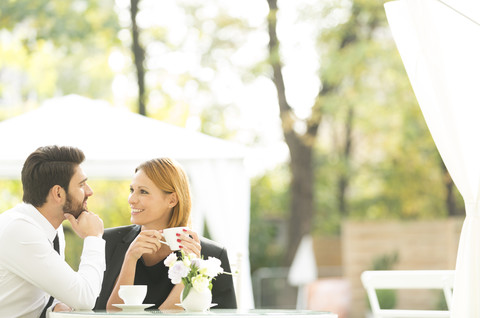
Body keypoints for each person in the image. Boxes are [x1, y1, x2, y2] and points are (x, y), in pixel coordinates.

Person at [94, 157, 237, 310]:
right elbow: (110, 313)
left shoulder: (212, 255)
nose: (131, 199)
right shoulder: (107, 242)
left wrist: (191, 269)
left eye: (143, 192)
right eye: (132, 190)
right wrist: (130, 258)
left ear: (172, 200)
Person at [0, 145, 105, 317]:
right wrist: (93, 238)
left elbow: (46, 286)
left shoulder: (50, 227)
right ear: (58, 193)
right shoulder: (20, 231)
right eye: (82, 184)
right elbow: (84, 298)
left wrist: (55, 305)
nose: (89, 191)